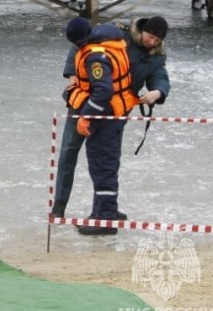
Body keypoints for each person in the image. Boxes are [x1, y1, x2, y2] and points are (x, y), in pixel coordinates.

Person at [52, 15, 170, 219]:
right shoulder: (117, 31)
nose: (152, 42)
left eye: (157, 41)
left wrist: (157, 92)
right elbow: (81, 40)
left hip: (114, 112)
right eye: (150, 37)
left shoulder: (156, 55)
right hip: (85, 103)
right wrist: (72, 74)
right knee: (69, 152)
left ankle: (106, 210)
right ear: (142, 30)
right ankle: (59, 207)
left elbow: (159, 76)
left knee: (107, 161)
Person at [61, 17, 142, 235]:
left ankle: (105, 218)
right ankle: (104, 211)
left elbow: (103, 91)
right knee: (106, 165)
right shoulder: (111, 40)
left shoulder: (95, 56)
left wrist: (86, 116)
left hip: (106, 117)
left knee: (102, 166)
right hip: (115, 114)